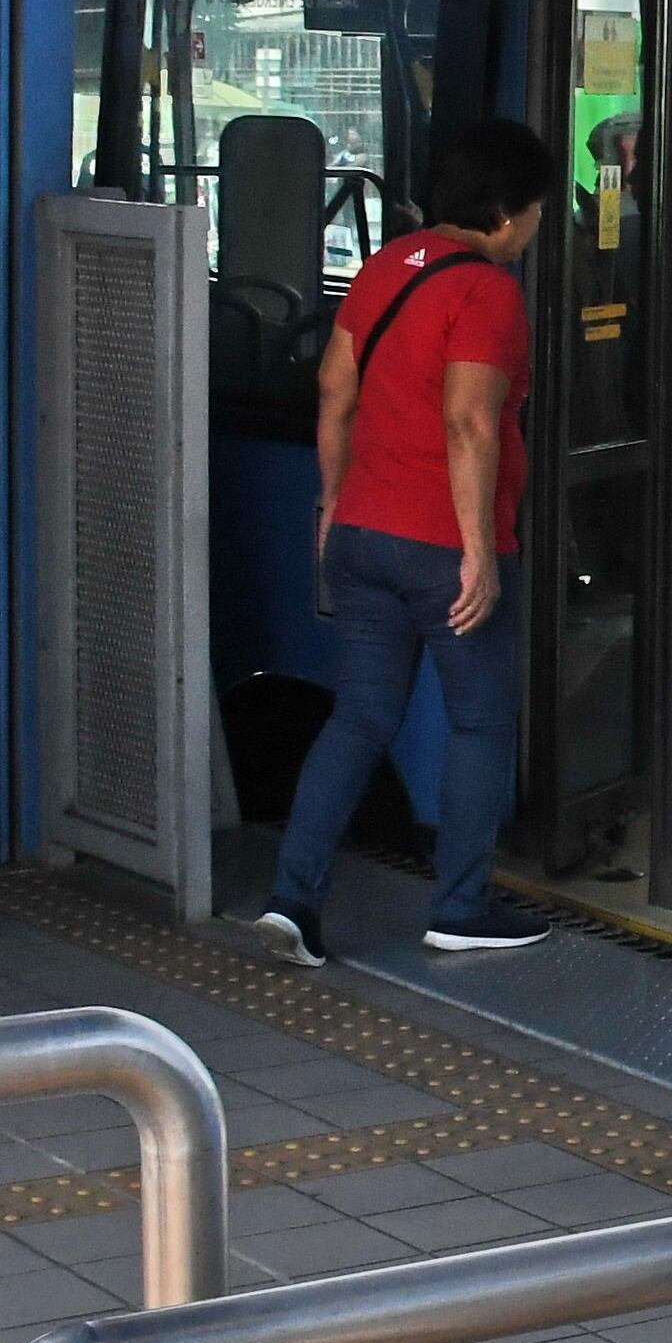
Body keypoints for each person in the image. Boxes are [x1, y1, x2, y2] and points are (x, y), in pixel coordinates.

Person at [242, 117, 561, 965]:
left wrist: (332, 502)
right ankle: (460, 905)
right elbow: (469, 422)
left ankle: (292, 899)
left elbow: (333, 386)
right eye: (533, 210)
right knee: (481, 721)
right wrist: (480, 551)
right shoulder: (488, 291)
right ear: (503, 213)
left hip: (360, 533)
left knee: (360, 717)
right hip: (439, 545)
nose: (534, 227)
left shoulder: (389, 265)